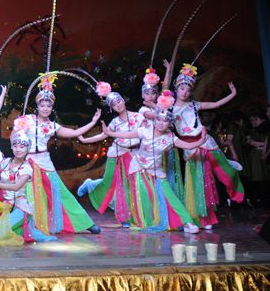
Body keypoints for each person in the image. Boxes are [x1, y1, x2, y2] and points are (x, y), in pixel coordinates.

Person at [101, 90, 205, 234]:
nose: (161, 123)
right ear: (155, 120)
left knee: (169, 196)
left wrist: (201, 141)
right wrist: (110, 133)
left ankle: (187, 222)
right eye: (159, 120)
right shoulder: (145, 130)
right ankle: (147, 221)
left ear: (169, 123)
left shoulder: (170, 138)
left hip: (156, 171)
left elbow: (187, 146)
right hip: (138, 168)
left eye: (165, 121)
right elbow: (126, 134)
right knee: (144, 197)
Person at [16, 74, 102, 235]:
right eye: (42, 105)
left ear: (52, 108)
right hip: (28, 162)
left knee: (60, 194)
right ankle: (31, 225)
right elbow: (15, 137)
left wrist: (93, 122)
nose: (45, 108)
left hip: (45, 162)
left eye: (48, 106)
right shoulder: (26, 120)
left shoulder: (52, 126)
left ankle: (84, 223)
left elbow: (74, 133)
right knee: (29, 195)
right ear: (37, 105)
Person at [171, 64, 244, 228]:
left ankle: (227, 165)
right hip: (189, 146)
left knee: (219, 170)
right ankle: (204, 217)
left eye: (188, 90)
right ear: (176, 88)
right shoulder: (170, 108)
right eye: (182, 88)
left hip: (204, 141)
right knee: (200, 181)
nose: (185, 92)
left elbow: (216, 104)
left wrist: (233, 94)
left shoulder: (194, 104)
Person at [78, 82, 145, 227]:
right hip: (116, 154)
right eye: (114, 104)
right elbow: (103, 135)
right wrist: (84, 140)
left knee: (129, 185)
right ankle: (91, 184)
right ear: (112, 108)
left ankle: (127, 217)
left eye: (119, 101)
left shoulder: (139, 117)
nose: (118, 105)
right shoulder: (115, 122)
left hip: (133, 155)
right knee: (109, 182)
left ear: (123, 101)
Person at [0, 130, 57, 243]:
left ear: (27, 149)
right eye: (15, 146)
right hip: (6, 205)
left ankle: (26, 230)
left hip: (20, 207)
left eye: (22, 147)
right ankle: (21, 230)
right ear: (11, 147)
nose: (18, 149)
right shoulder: (5, 162)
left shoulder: (27, 168)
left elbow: (16, 187)